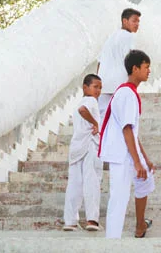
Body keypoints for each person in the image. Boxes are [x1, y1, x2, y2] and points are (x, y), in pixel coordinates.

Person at [98, 49, 155, 239]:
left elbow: (132, 130)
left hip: (127, 153)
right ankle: (112, 242)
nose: (149, 71)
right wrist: (137, 162)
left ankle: (140, 225)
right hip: (122, 155)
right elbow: (127, 129)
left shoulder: (129, 93)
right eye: (146, 67)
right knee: (119, 198)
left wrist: (144, 159)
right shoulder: (126, 93)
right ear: (135, 68)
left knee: (145, 181)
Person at [63, 74, 103, 232]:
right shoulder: (90, 101)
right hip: (89, 146)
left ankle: (70, 221)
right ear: (85, 87)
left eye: (100, 87)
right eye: (95, 87)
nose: (98, 90)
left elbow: (80, 109)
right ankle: (92, 220)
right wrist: (95, 123)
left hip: (76, 147)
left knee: (74, 184)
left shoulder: (79, 102)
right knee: (91, 182)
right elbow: (83, 110)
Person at [96, 8, 141, 111]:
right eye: (134, 21)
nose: (137, 24)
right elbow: (130, 60)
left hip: (104, 84)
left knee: (104, 120)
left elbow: (99, 62)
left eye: (138, 21)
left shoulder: (110, 37)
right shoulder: (129, 36)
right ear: (125, 21)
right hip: (120, 84)